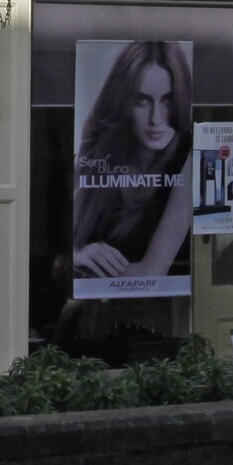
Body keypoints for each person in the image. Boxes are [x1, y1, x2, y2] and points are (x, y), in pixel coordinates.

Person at [73, 40, 193, 283]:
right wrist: (76, 256)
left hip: (167, 308)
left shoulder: (191, 156)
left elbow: (150, 274)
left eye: (167, 100)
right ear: (123, 100)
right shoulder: (100, 155)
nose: (155, 118)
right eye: (142, 100)